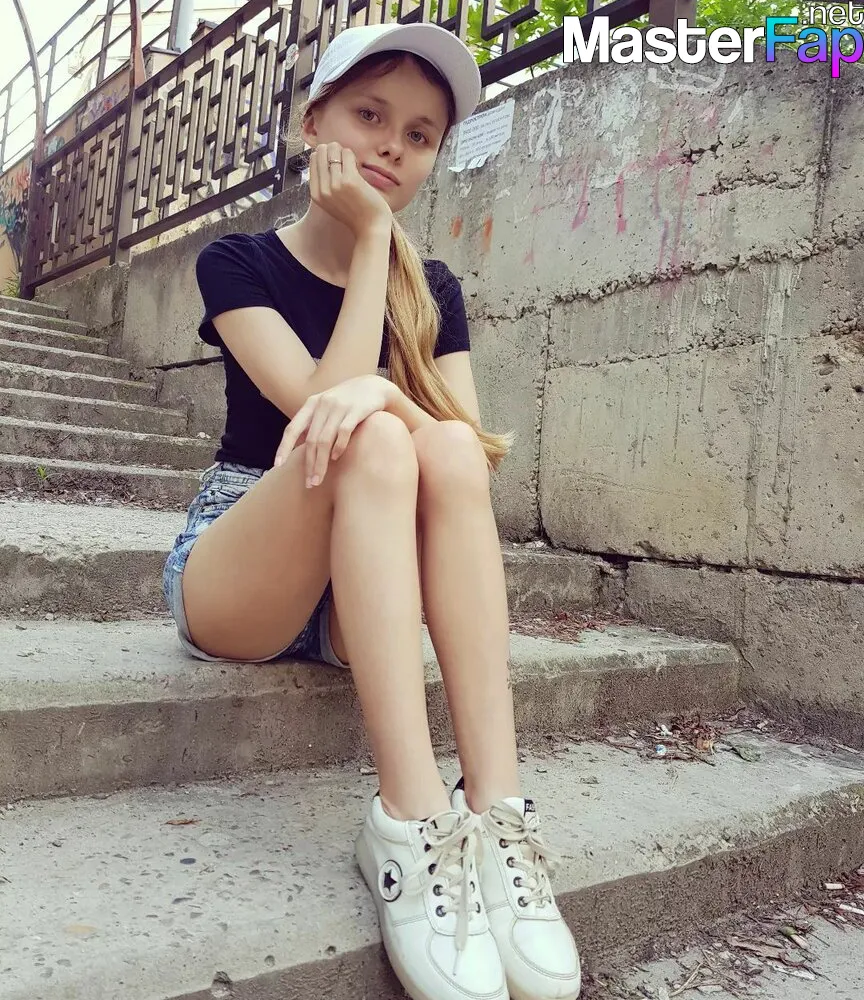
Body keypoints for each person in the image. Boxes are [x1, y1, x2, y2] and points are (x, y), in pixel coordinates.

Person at [162, 20, 581, 1000]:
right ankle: (410, 820)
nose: (393, 146)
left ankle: (498, 815)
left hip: (369, 574)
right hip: (246, 559)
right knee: (372, 434)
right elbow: (318, 415)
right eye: (370, 114)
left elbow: (467, 457)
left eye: (420, 134)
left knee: (428, 442)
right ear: (315, 123)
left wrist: (389, 380)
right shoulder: (238, 263)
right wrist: (372, 242)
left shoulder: (435, 293)